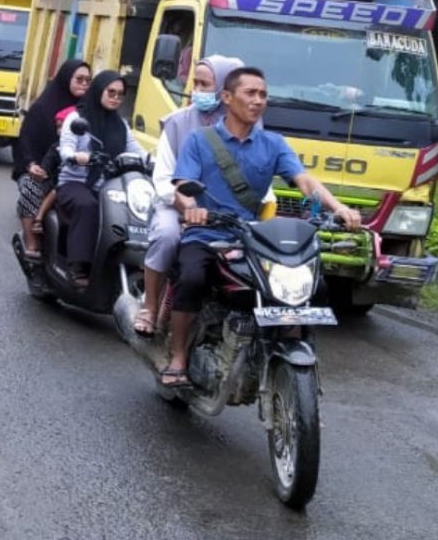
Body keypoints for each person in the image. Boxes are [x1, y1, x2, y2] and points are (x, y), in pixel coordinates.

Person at [160, 67, 361, 388]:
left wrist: (339, 208)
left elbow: (305, 181)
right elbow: (184, 184)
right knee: (192, 277)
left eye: (263, 95)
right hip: (208, 233)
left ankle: (289, 353)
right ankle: (179, 356)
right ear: (227, 98)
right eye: (250, 93)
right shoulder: (200, 140)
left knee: (305, 285)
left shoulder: (273, 143)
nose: (258, 101)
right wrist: (192, 208)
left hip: (251, 236)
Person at [133, 54, 255, 336]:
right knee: (166, 236)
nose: (196, 90)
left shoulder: (249, 125)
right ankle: (150, 307)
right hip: (176, 206)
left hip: (226, 213)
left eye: (204, 84)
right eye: (195, 83)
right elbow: (163, 180)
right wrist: (186, 206)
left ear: (226, 90)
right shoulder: (177, 123)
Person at [56, 70, 144, 286]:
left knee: (130, 213)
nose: (115, 98)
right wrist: (78, 156)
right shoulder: (77, 119)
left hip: (108, 185)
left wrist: (160, 164)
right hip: (74, 183)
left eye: (120, 94)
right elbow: (65, 148)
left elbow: (138, 151)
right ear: (98, 91)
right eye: (111, 92)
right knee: (88, 205)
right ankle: (78, 267)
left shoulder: (120, 125)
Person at [13, 59, 91, 255]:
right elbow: (26, 141)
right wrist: (31, 165)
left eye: (88, 81)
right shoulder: (42, 108)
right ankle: (31, 243)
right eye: (79, 79)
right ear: (66, 79)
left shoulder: (90, 111)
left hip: (79, 173)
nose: (84, 84)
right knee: (30, 189)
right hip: (44, 171)